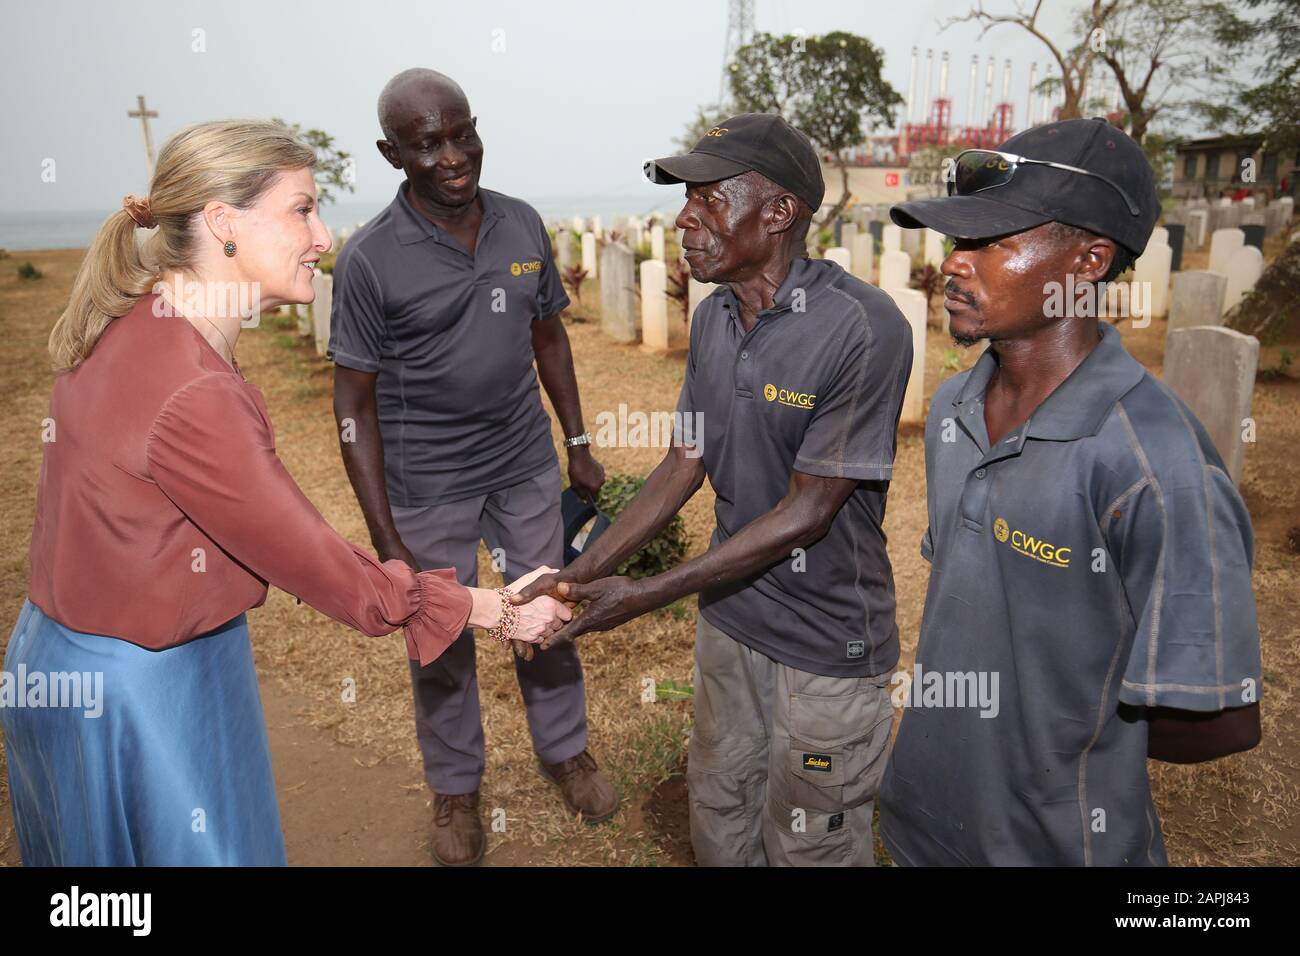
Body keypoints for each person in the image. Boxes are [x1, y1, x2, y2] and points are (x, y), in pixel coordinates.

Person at [0, 119, 568, 867]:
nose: (323, 237)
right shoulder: (193, 390)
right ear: (223, 223)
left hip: (72, 655)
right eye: (301, 209)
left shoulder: (132, 327)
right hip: (143, 688)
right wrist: (494, 610)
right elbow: (316, 562)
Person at [517, 113, 914, 866]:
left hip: (827, 646)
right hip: (731, 622)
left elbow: (806, 513)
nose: (686, 220)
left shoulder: (862, 328)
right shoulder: (715, 320)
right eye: (685, 200)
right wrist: (580, 576)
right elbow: (682, 466)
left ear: (778, 212)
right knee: (721, 812)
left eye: (708, 199)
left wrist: (646, 593)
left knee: (809, 840)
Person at [878, 117, 1263, 866]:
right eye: (957, 242)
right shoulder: (956, 408)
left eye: (992, 242)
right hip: (926, 821)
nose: (955, 266)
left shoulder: (1155, 466)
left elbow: (1220, 717)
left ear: (1086, 261)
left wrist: (1063, 738)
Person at [328, 69, 616, 867]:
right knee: (442, 634)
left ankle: (567, 753)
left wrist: (579, 443)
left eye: (462, 134)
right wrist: (385, 530)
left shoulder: (521, 225)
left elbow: (548, 336)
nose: (453, 156)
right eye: (428, 145)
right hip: (426, 484)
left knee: (546, 613)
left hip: (522, 461)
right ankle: (455, 788)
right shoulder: (370, 261)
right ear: (393, 153)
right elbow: (351, 403)